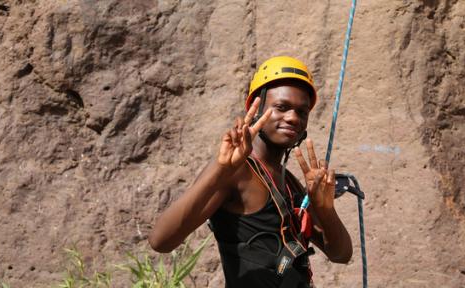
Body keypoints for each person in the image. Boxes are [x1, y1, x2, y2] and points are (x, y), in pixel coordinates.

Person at [149, 56, 352, 288]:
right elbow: (160, 241)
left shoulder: (289, 182)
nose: (293, 118)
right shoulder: (237, 172)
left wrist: (326, 210)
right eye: (282, 107)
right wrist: (221, 169)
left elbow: (341, 254)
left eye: (301, 111)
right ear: (256, 108)